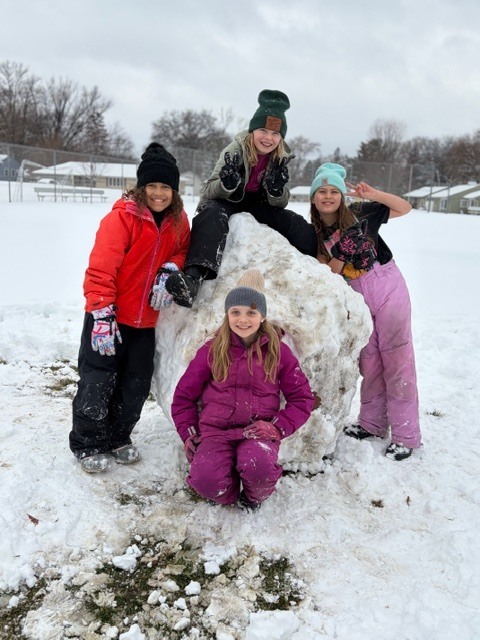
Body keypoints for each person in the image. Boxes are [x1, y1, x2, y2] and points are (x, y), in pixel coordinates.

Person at [70, 143, 191, 473]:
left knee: (135, 384)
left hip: (145, 323)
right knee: (98, 380)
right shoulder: (122, 218)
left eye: (165, 187)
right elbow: (101, 268)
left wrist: (171, 268)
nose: (158, 193)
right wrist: (100, 312)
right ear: (141, 188)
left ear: (174, 190)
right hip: (109, 317)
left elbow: (183, 252)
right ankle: (88, 441)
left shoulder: (180, 222)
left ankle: (118, 436)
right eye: (151, 186)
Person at [171, 269, 315, 509]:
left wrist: (276, 427)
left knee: (259, 468)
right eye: (235, 312)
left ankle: (252, 497)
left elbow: (302, 399)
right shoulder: (212, 350)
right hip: (215, 433)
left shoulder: (279, 353)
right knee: (206, 481)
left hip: (257, 432)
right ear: (227, 315)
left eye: (251, 312)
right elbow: (184, 398)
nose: (243, 319)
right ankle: (228, 495)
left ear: (262, 316)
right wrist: (189, 434)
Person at [309, 163, 421, 461]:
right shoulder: (316, 233)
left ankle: (406, 434)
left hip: (386, 284)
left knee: (397, 358)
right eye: (322, 191)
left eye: (334, 191)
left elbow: (405, 207)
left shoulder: (362, 212)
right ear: (313, 197)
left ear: (341, 196)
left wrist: (374, 194)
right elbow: (329, 272)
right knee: (369, 361)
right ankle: (372, 424)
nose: (328, 196)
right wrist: (342, 252)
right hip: (355, 296)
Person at [165, 90, 318, 307]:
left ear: (281, 137)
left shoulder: (281, 157)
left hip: (259, 204)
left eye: (275, 134)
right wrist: (228, 185)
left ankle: (318, 266)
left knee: (294, 223)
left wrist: (275, 191)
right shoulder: (235, 150)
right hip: (229, 200)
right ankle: (193, 279)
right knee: (211, 215)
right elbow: (209, 191)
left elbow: (282, 201)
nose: (268, 138)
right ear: (253, 130)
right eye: (263, 130)